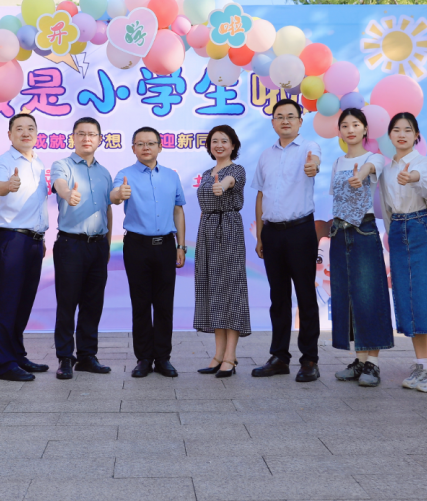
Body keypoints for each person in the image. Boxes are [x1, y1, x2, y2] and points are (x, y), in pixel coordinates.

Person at [379, 113, 427, 393]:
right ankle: (422, 366)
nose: (402, 134)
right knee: (408, 297)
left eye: (408, 130)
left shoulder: (424, 162)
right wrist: (393, 234)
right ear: (389, 136)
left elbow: (425, 187)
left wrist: (412, 177)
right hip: (398, 230)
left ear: (416, 135)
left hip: (421, 225)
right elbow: (387, 207)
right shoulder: (386, 170)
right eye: (396, 130)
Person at [250, 99, 322, 383]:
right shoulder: (265, 155)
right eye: (279, 116)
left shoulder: (308, 147)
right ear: (273, 123)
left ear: (300, 121)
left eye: (291, 116)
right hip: (272, 233)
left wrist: (313, 167)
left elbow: (315, 163)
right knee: (278, 298)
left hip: (300, 231)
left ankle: (309, 360)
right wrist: (260, 235)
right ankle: (279, 357)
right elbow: (260, 195)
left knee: (305, 296)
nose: (285, 121)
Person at [112, 127, 187, 378]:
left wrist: (180, 245)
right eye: (140, 143)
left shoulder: (171, 176)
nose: (146, 147)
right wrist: (118, 194)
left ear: (160, 147)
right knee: (141, 303)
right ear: (133, 148)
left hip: (165, 245)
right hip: (137, 246)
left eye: (151, 143)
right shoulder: (124, 175)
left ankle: (163, 358)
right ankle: (144, 358)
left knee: (165, 304)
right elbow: (114, 196)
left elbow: (178, 210)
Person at [329, 108, 393, 387]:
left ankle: (373, 364)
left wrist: (362, 174)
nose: (350, 130)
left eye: (356, 125)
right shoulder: (337, 162)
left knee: (370, 294)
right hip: (339, 231)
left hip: (364, 230)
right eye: (345, 125)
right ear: (339, 131)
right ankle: (359, 360)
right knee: (347, 296)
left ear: (365, 129)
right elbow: (337, 198)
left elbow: (371, 169)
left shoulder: (373, 157)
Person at [50, 117, 115, 380]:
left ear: (100, 139)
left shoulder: (105, 173)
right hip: (71, 245)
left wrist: (107, 245)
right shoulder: (62, 165)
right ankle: (65, 357)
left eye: (92, 134)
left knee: (93, 303)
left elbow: (108, 209)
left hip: (98, 246)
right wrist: (68, 194)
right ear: (73, 138)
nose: (87, 138)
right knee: (67, 303)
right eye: (81, 133)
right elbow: (59, 184)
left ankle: (87, 356)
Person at [0, 113, 51, 381]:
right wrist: (8, 185)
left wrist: (42, 238)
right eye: (19, 129)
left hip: (35, 241)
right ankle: (4, 363)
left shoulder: (38, 162)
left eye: (30, 128)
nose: (25, 133)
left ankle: (17, 354)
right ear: (10, 134)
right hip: (12, 239)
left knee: (24, 301)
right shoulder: (3, 161)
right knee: (7, 301)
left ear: (36, 133)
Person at [194, 125, 250, 378]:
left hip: (228, 228)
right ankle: (218, 355)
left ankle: (230, 356)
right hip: (207, 230)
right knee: (214, 290)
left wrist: (223, 186)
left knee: (231, 290)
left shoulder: (237, 170)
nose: (219, 145)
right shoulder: (207, 173)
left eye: (224, 141)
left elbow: (229, 182)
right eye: (214, 141)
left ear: (233, 145)